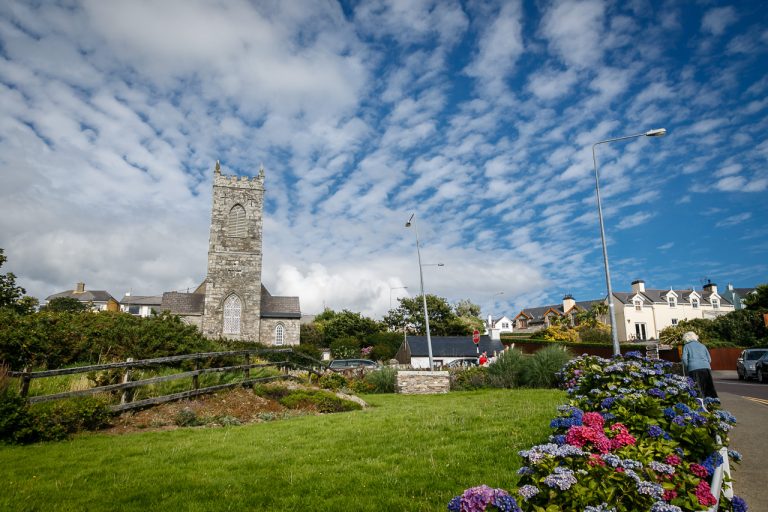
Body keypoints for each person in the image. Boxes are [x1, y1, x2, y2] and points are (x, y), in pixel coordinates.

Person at [681, 331, 718, 399]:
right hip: (706, 367)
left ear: (686, 338)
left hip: (693, 368)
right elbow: (709, 359)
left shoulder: (686, 346)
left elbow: (684, 358)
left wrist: (688, 366)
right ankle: (713, 403)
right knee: (708, 387)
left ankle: (699, 403)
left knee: (696, 387)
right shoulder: (702, 345)